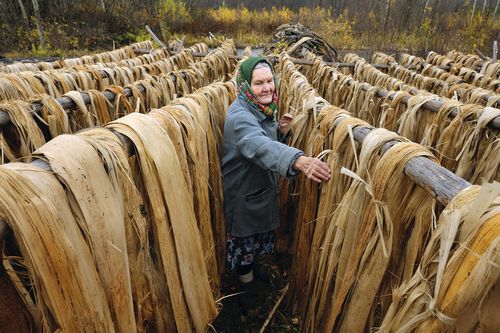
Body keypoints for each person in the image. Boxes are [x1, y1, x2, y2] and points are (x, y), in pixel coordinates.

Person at [221, 56, 331, 312]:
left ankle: (252, 271)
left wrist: (280, 130)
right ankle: (245, 287)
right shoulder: (240, 116)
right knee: (244, 246)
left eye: (270, 80)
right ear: (245, 86)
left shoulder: (260, 108)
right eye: (259, 83)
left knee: (256, 242)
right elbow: (258, 146)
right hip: (245, 195)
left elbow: (265, 137)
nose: (267, 87)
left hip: (258, 192)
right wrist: (298, 159)